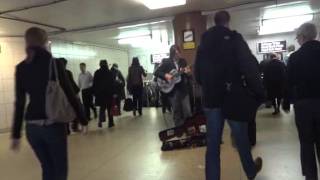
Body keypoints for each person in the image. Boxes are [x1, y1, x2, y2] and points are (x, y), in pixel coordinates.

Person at [10, 27, 88, 180]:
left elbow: (19, 102)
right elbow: (70, 94)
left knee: (47, 168)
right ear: (45, 42)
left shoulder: (21, 68)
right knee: (59, 171)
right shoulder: (54, 63)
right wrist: (82, 119)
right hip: (52, 125)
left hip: (31, 129)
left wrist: (16, 134)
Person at [194, 11, 264, 180]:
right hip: (233, 97)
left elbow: (197, 73)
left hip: (211, 99)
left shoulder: (203, 42)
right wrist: (260, 93)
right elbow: (248, 67)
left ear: (214, 22)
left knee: (212, 144)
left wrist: (209, 87)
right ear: (228, 22)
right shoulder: (234, 38)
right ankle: (250, 171)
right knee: (241, 139)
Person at [284, 23, 320, 180]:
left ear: (303, 36)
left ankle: (311, 177)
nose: (297, 40)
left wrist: (286, 101)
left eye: (297, 37)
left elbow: (289, 81)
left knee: (306, 143)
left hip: (303, 105)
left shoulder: (295, 57)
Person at [154, 45, 192, 127]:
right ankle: (179, 129)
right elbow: (156, 72)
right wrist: (165, 75)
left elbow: (187, 74)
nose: (178, 54)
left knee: (187, 110)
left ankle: (189, 128)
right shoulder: (166, 61)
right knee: (176, 110)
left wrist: (188, 73)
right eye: (176, 53)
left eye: (179, 52)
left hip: (183, 89)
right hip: (172, 90)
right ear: (172, 54)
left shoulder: (183, 61)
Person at [60, 58, 81, 132]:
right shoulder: (68, 72)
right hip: (69, 95)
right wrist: (77, 92)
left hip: (60, 97)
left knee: (64, 113)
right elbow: (72, 84)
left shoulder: (55, 74)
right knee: (75, 110)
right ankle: (75, 127)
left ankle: (67, 129)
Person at [93, 60, 115, 128]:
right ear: (106, 64)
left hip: (100, 94)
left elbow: (95, 83)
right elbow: (113, 83)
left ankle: (100, 121)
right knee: (109, 108)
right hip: (109, 93)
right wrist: (114, 92)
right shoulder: (110, 72)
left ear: (100, 65)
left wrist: (95, 93)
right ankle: (110, 123)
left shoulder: (97, 72)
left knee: (102, 108)